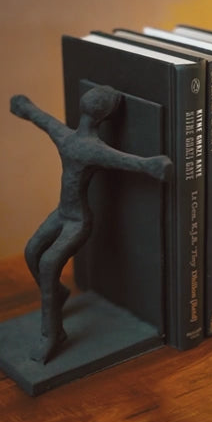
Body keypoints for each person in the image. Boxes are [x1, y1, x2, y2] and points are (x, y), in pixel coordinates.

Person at [10, 85, 172, 363]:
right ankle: (56, 293)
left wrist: (151, 165)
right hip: (61, 212)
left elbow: (125, 161)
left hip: (77, 220)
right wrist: (26, 109)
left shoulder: (91, 149)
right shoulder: (69, 138)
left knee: (49, 264)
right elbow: (44, 119)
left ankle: (52, 334)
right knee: (31, 252)